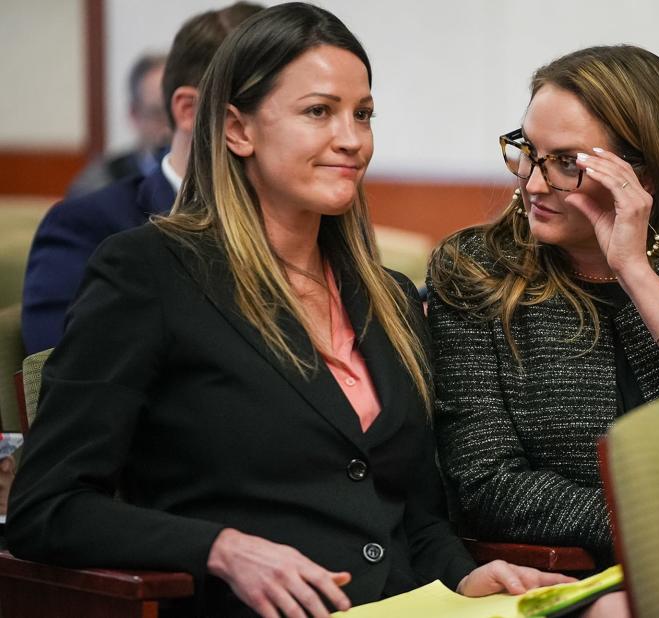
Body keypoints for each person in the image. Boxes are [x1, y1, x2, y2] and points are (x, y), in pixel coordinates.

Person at [7, 4, 568, 617]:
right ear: (236, 129)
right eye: (318, 112)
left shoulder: (391, 299)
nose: (352, 140)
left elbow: (413, 520)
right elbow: (48, 506)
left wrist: (466, 576)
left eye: (363, 115)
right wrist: (221, 548)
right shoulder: (148, 272)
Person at [428, 43, 659, 578]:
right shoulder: (475, 268)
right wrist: (654, 526)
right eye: (527, 151)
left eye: (565, 164)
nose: (532, 183)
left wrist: (634, 271)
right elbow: (485, 480)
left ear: (641, 175)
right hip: (571, 575)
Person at [21, 2, 264, 355]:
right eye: (256, 104)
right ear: (189, 111)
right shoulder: (89, 226)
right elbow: (62, 378)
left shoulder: (302, 222)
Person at [66, 53, 171, 199]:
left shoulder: (204, 180)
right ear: (134, 115)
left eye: (178, 113)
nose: (170, 128)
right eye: (157, 114)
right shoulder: (98, 186)